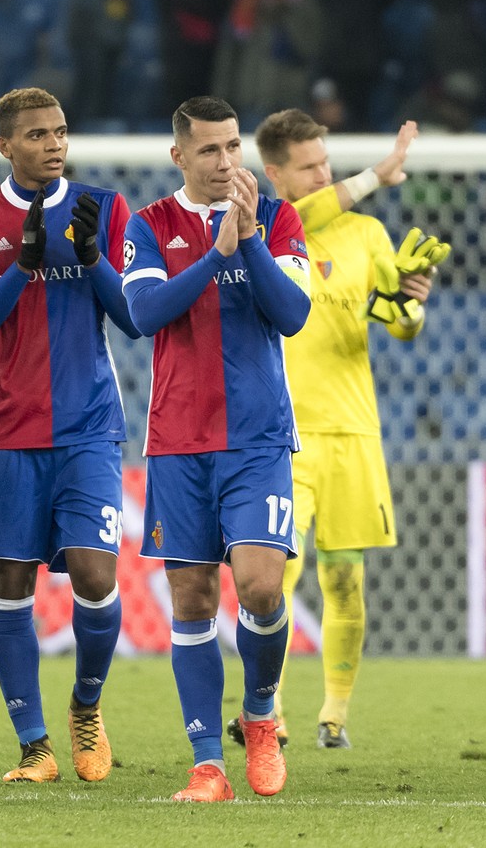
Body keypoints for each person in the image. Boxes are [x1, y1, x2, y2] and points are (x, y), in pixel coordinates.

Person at [0, 87, 141, 784]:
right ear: (5, 146)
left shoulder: (103, 209)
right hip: (6, 430)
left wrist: (91, 258)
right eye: (36, 135)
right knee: (11, 582)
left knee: (94, 571)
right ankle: (34, 744)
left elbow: (133, 315)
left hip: (88, 425)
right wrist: (21, 269)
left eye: (60, 131)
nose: (54, 144)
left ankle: (86, 706)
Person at [120, 96, 312, 802]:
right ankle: (207, 764)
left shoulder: (279, 218)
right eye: (210, 150)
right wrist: (217, 254)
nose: (227, 161)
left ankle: (259, 714)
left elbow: (292, 315)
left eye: (233, 146)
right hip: (178, 440)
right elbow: (144, 314)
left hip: (258, 437)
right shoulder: (149, 227)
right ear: (180, 156)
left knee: (261, 586)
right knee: (193, 596)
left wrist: (251, 239)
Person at [239, 111, 440, 751]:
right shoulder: (269, 228)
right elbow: (315, 211)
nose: (324, 174)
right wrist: (377, 173)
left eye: (327, 162)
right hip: (285, 433)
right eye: (310, 166)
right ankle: (266, 711)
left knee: (345, 577)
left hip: (353, 430)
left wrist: (411, 300)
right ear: (275, 175)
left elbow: (399, 322)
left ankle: (334, 714)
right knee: (278, 577)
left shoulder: (368, 233)